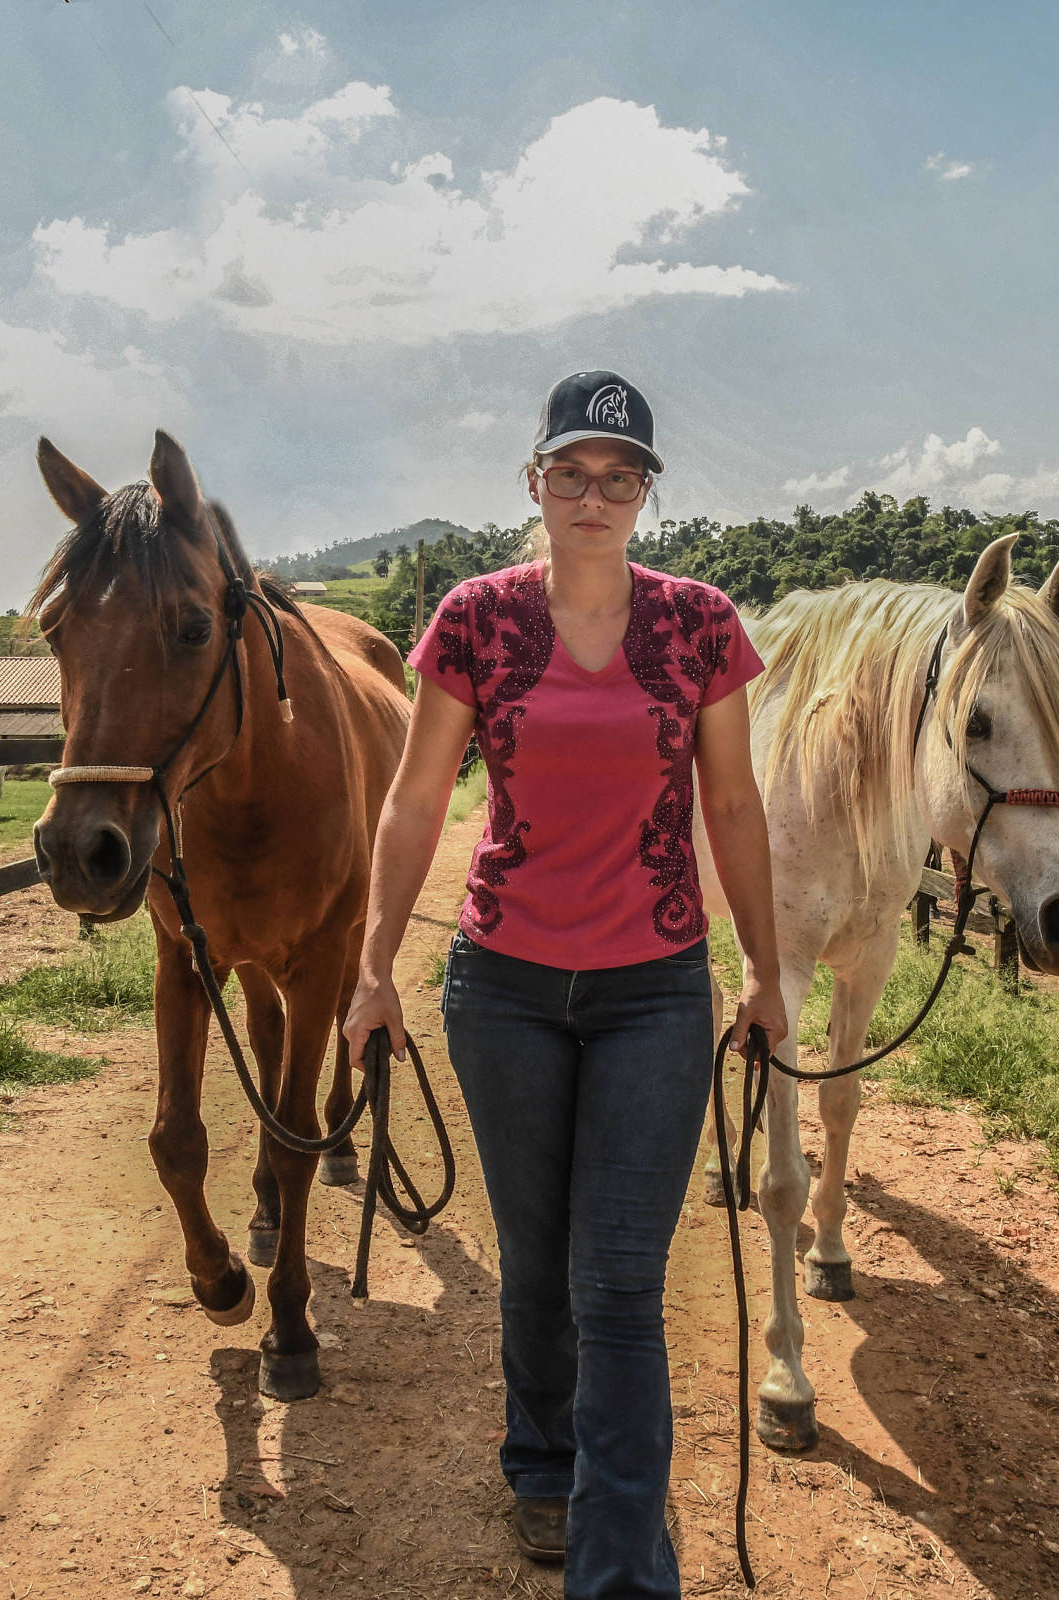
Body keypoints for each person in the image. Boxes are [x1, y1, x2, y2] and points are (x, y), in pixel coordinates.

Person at [342, 371, 786, 1597]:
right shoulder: (473, 619)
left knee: (617, 1280)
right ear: (533, 481)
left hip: (653, 988)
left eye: (622, 474)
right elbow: (418, 796)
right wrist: (374, 969)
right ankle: (541, 1462)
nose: (597, 494)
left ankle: (622, 1567)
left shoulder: (701, 624)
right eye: (573, 472)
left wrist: (760, 965)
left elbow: (734, 803)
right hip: (506, 989)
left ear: (648, 494)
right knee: (536, 1262)